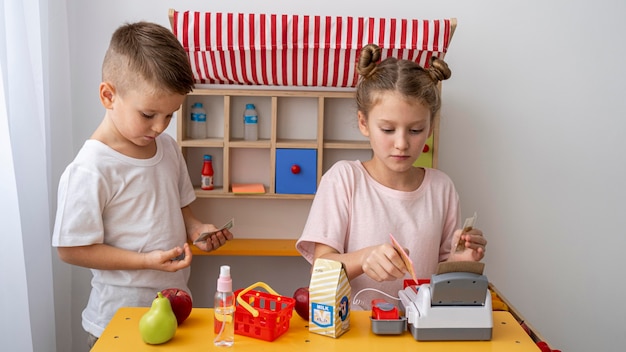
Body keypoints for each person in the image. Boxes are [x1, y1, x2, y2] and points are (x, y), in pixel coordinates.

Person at [51, 21, 233, 348]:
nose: (160, 126)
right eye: (149, 114)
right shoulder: (90, 168)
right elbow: (70, 248)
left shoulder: (168, 149)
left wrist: (196, 231)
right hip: (116, 321)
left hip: (175, 315)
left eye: (170, 115)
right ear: (108, 95)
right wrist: (146, 261)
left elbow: (181, 210)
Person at [296, 44, 487, 309]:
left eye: (416, 129)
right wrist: (363, 259)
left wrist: (462, 261)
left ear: (431, 126)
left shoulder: (441, 187)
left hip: (420, 330)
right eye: (387, 129)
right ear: (364, 123)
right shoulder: (344, 179)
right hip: (356, 331)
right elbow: (321, 270)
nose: (401, 143)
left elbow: (445, 276)